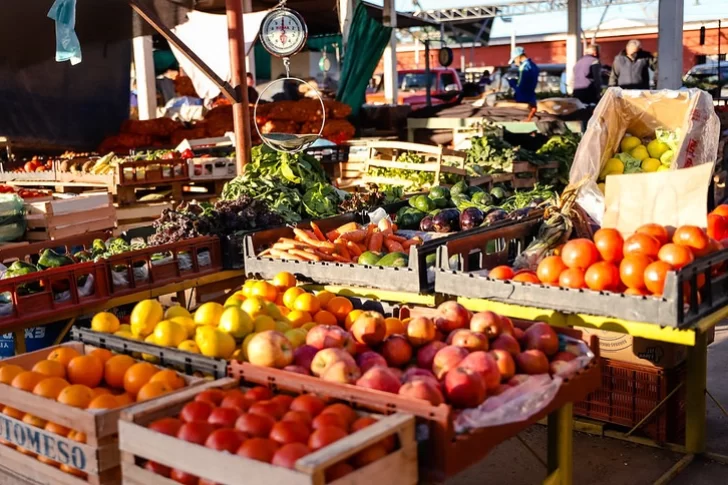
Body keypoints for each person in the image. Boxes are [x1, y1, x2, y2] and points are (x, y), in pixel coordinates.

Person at [507, 46, 540, 120]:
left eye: (514, 60)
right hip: (531, 98)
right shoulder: (533, 65)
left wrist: (512, 82)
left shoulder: (523, 68)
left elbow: (520, 87)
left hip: (523, 99)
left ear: (518, 57)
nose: (515, 63)